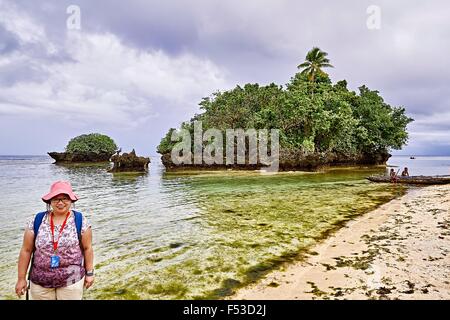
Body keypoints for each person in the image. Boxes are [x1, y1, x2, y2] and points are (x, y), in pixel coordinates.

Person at [15, 181, 94, 300]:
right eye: (56, 199)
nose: (60, 202)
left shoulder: (80, 221)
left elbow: (88, 249)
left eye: (65, 198)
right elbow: (26, 250)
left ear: (71, 200)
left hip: (72, 281)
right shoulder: (37, 220)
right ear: (50, 201)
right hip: (40, 282)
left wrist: (90, 273)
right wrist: (21, 279)